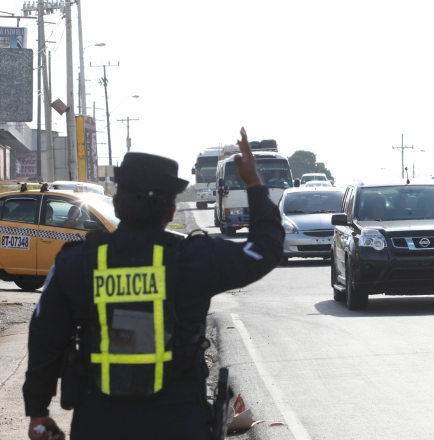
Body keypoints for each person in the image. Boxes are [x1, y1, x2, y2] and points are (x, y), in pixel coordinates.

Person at [22, 127, 284, 440]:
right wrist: (253, 183)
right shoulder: (195, 259)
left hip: (99, 420)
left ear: (117, 204)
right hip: (178, 420)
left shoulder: (76, 262)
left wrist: (38, 412)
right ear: (171, 210)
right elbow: (263, 250)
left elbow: (44, 338)